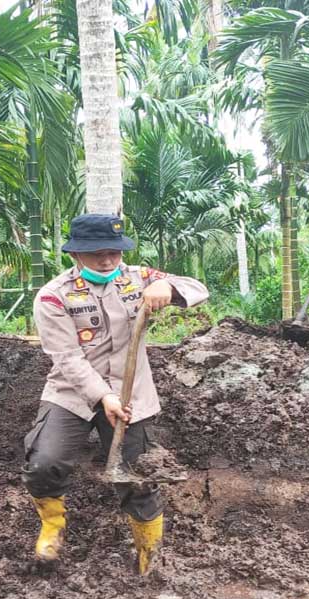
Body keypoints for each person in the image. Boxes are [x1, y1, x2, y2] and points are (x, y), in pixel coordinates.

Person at [24, 214, 208, 575]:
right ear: (75, 254)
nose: (107, 260)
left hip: (132, 395)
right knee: (44, 462)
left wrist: (168, 289)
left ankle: (148, 556)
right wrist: (103, 396)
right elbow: (67, 359)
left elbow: (198, 288)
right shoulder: (53, 296)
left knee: (137, 478)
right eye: (96, 254)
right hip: (71, 393)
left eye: (113, 252)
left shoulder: (138, 278)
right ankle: (52, 527)